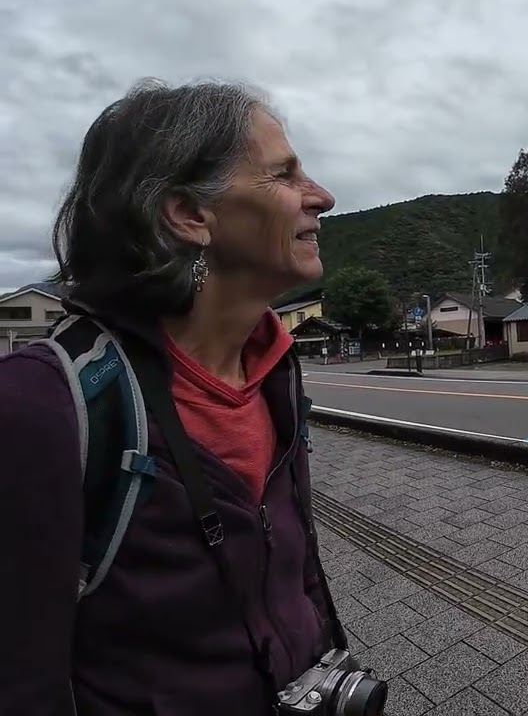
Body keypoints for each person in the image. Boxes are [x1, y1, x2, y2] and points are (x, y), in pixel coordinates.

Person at [0, 79, 381, 715]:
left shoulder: (276, 370)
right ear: (189, 215)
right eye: (285, 174)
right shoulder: (45, 407)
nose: (323, 195)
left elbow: (298, 570)